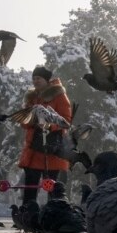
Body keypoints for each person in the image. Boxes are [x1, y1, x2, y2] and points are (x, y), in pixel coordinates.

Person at [17, 66, 73, 206]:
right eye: (34, 78)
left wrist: (50, 126)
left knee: (53, 188)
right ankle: (28, 215)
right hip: (33, 149)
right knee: (30, 187)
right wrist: (29, 121)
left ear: (47, 80)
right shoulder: (31, 98)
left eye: (39, 78)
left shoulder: (59, 95)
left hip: (52, 150)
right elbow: (24, 122)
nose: (35, 81)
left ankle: (55, 216)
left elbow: (66, 120)